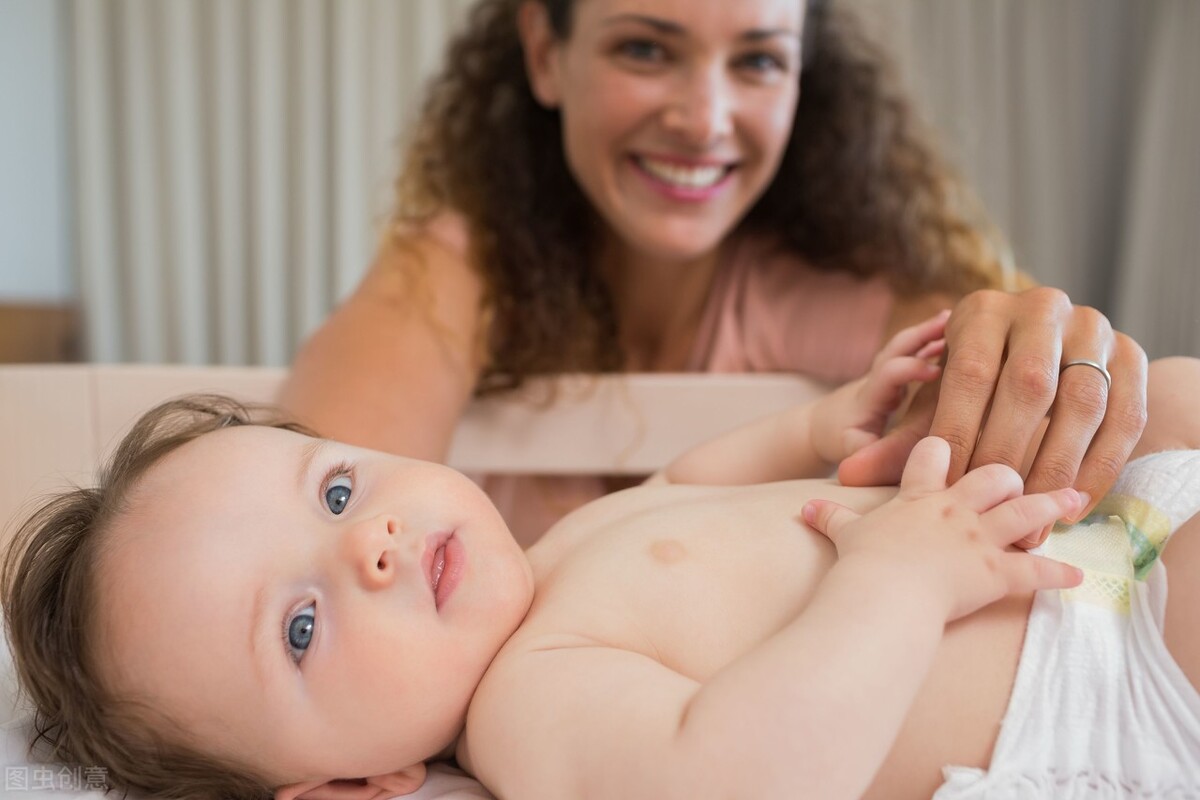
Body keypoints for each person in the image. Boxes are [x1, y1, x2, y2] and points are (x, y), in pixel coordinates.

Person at [5, 316, 1197, 800]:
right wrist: (897, 581)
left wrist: (822, 427)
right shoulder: (528, 706)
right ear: (349, 789)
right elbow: (736, 777)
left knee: (1176, 396)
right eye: (300, 627)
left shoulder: (551, 555)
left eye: (335, 489)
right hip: (1092, 664)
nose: (368, 543)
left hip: (1088, 537)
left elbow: (689, 482)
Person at [280, 0, 1148, 546]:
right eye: (646, 51)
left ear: (804, 75)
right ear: (546, 52)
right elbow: (302, 527)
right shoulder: (456, 269)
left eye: (758, 60)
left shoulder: (840, 281)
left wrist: (1021, 344)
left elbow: (968, 349)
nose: (704, 120)